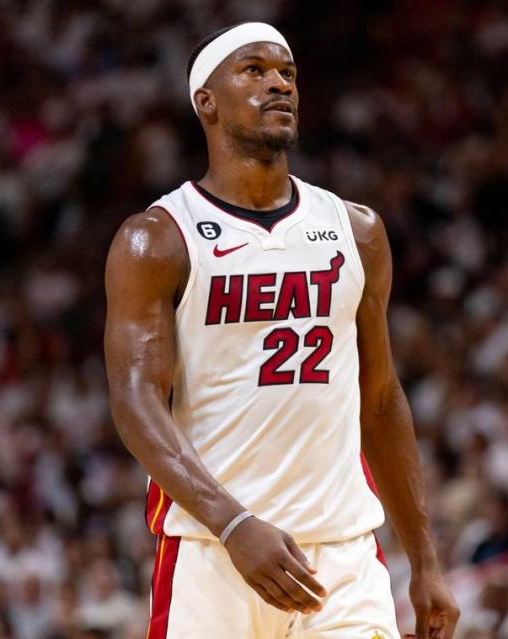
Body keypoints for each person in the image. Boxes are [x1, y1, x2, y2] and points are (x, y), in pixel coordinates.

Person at [104, 22, 459, 639]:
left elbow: (379, 400)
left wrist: (424, 561)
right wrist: (233, 524)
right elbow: (136, 401)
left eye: (287, 72)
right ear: (205, 102)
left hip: (342, 555)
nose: (278, 83)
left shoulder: (357, 230)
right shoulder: (158, 238)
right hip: (214, 552)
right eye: (254, 70)